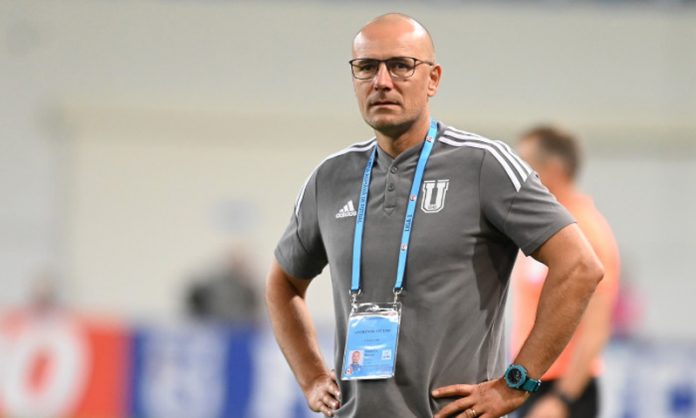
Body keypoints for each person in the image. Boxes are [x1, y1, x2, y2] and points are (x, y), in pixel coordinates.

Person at [265, 13, 604, 418]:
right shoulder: (330, 178)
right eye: (367, 67)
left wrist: (517, 382)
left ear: (433, 79)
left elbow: (579, 266)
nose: (382, 81)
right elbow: (282, 283)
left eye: (401, 65)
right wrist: (311, 376)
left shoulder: (483, 165)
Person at [511, 126, 621, 418]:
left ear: (554, 170)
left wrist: (562, 399)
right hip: (533, 381)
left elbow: (596, 327)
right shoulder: (546, 227)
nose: (517, 175)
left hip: (561, 389)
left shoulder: (585, 232)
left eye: (525, 165)